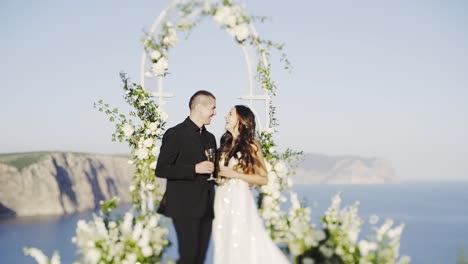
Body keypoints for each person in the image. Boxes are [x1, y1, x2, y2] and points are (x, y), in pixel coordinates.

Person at [213, 105, 290, 264]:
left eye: (230, 114)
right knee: (223, 239)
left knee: (242, 238)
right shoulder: (224, 145)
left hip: (239, 198)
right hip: (221, 198)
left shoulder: (252, 145)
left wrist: (237, 175)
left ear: (241, 120)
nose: (225, 117)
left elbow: (263, 178)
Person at [155, 90, 217, 264]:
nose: (215, 113)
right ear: (199, 107)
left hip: (207, 207)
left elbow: (214, 169)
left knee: (200, 258)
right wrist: (194, 168)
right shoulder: (175, 134)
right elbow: (161, 169)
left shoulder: (210, 137)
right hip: (184, 206)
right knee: (188, 257)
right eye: (213, 108)